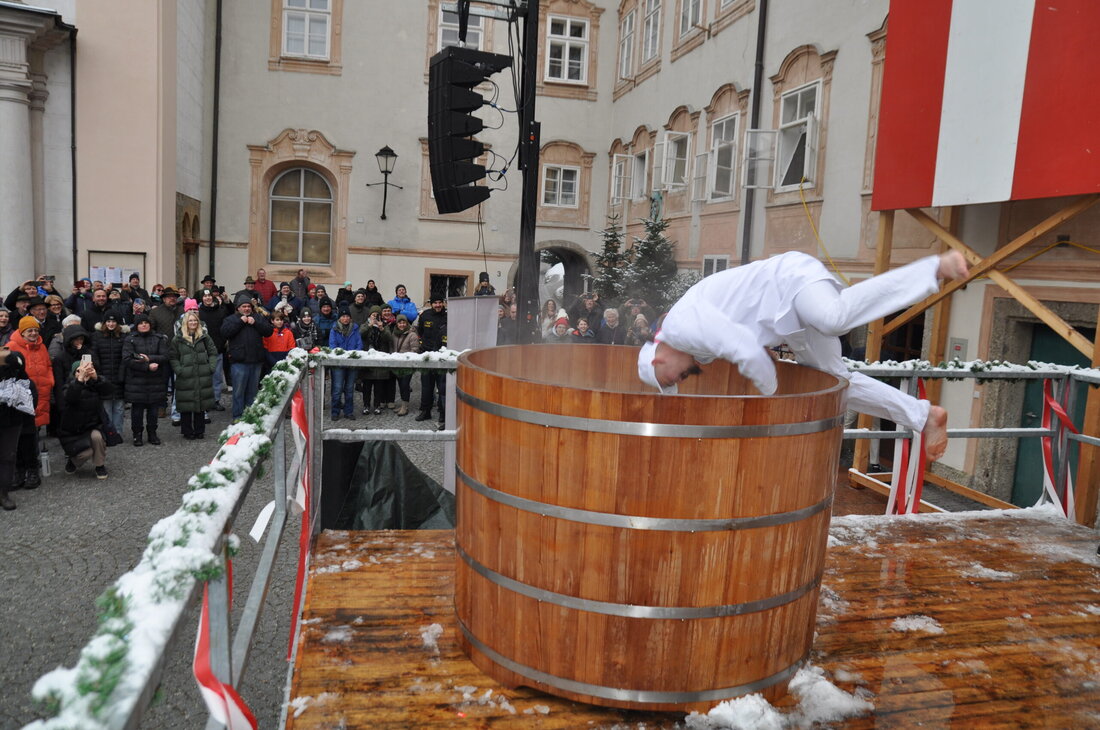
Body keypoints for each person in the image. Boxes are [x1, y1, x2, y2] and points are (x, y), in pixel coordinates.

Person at [637, 251, 970, 461]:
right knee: (838, 382)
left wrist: (770, 394)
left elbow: (745, 348)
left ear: (659, 360)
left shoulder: (681, 327)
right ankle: (923, 415)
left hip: (790, 279)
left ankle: (934, 267)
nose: (684, 378)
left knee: (833, 318)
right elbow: (743, 334)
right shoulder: (693, 348)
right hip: (786, 319)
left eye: (674, 378)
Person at [8, 316, 53, 489]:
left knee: (32, 434)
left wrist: (50, 381)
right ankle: (19, 470)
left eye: (35, 330)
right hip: (17, 398)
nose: (33, 333)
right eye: (29, 331)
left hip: (38, 394)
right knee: (19, 438)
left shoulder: (41, 345)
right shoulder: (11, 347)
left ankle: (32, 470)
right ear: (22, 332)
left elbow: (48, 365)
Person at [58, 358, 114, 479]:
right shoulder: (68, 386)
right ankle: (72, 462)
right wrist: (79, 381)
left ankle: (100, 466)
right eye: (79, 371)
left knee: (98, 437)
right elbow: (70, 397)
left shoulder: (95, 385)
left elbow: (109, 390)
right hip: (73, 430)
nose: (83, 373)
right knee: (86, 453)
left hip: (92, 425)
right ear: (74, 373)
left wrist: (96, 377)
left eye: (86, 370)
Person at [221, 295, 274, 420]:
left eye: (248, 306)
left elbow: (268, 331)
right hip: (239, 362)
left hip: (256, 361)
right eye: (243, 306)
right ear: (238, 308)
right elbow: (225, 332)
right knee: (238, 392)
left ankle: (251, 416)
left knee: (253, 392)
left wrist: (255, 323)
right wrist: (241, 322)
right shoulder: (231, 319)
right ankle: (238, 417)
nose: (246, 309)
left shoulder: (258, 318)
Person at [170, 311, 218, 440]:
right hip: (185, 375)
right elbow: (173, 357)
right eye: (190, 320)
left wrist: (211, 367)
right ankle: (187, 431)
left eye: (195, 320)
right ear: (186, 322)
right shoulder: (178, 338)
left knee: (200, 403)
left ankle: (199, 430)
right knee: (186, 403)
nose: (193, 323)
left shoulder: (204, 337)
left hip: (202, 373)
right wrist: (179, 370)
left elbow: (213, 352)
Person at [123, 313, 169, 446]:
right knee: (137, 410)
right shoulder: (130, 339)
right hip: (137, 380)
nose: (144, 325)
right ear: (137, 326)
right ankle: (137, 435)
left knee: (153, 410)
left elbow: (165, 356)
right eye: (141, 323)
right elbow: (127, 359)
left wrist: (150, 359)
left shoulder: (159, 338)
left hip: (155, 380)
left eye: (146, 322)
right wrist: (147, 366)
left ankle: (152, 433)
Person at [0, 349, 36, 509]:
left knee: (8, 457)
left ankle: (3, 494)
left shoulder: (16, 367)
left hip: (12, 421)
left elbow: (30, 394)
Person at [92, 313, 128, 434]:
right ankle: (108, 432)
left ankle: (118, 432)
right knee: (106, 406)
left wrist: (122, 373)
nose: (111, 324)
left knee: (119, 407)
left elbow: (125, 356)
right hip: (103, 375)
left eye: (113, 322)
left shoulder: (123, 337)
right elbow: (94, 355)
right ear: (104, 323)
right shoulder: (97, 336)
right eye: (108, 322)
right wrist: (99, 373)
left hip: (119, 375)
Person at [414, 295, 447, 424]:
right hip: (427, 355)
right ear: (431, 304)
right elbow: (420, 332)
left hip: (442, 356)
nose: (438, 305)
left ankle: (442, 413)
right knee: (426, 386)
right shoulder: (425, 316)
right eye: (435, 303)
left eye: (440, 302)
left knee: (442, 386)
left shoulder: (448, 316)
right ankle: (425, 411)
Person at [328, 304, 362, 421]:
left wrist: (352, 356)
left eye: (347, 316)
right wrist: (342, 356)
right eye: (343, 316)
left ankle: (348, 411)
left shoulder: (355, 328)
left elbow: (359, 345)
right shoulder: (334, 329)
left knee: (349, 389)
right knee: (337, 389)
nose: (345, 318)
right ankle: (335, 411)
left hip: (352, 364)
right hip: (338, 364)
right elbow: (332, 346)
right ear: (339, 318)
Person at [197, 289, 229, 410]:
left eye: (209, 295)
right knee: (203, 378)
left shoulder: (220, 311)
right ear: (202, 299)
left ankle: (215, 400)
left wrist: (222, 342)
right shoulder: (198, 313)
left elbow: (225, 328)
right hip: (201, 350)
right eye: (205, 296)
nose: (207, 298)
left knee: (216, 378)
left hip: (217, 349)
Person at [359, 307, 394, 415]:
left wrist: (382, 329)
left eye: (377, 315)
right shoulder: (365, 325)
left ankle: (377, 405)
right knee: (367, 386)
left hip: (380, 358)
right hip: (368, 359)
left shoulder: (384, 326)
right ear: (369, 316)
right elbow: (361, 334)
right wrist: (370, 326)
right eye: (373, 315)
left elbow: (389, 339)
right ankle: (366, 405)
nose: (375, 317)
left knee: (379, 386)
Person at [390, 313, 420, 416]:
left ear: (407, 323)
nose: (402, 325)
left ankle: (405, 407)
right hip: (397, 365)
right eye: (400, 322)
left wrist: (405, 358)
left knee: (404, 385)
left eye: (404, 322)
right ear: (397, 324)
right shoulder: (394, 333)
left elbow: (415, 349)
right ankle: (403, 404)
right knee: (400, 385)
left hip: (407, 365)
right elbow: (392, 348)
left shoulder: (412, 334)